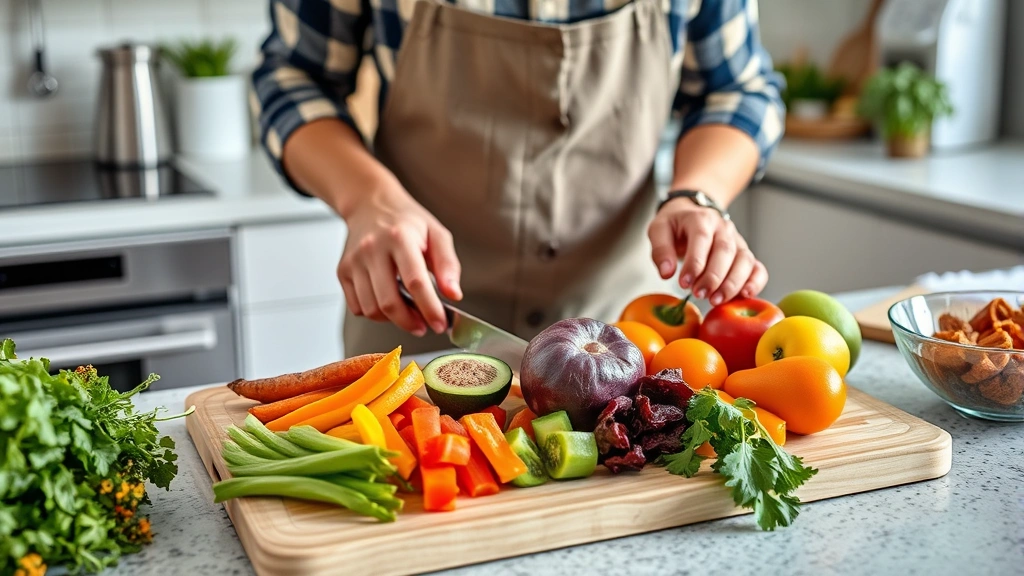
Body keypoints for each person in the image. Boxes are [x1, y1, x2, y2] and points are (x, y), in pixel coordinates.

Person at [252, 0, 784, 356]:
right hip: (420, 320)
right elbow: (292, 78)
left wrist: (697, 195)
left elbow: (736, 90)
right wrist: (368, 197)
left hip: (625, 329)